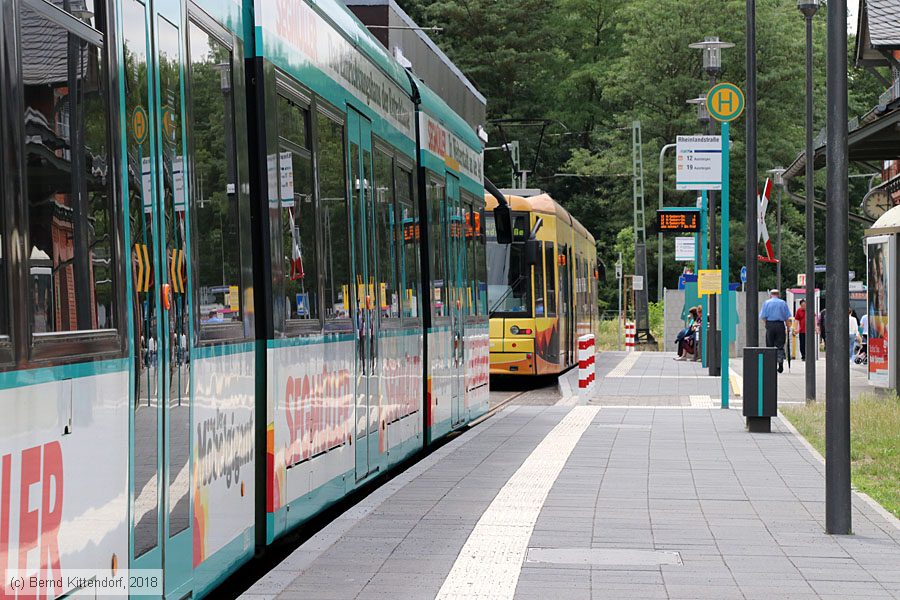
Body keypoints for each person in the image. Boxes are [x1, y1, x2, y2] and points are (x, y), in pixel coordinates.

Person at [759, 289, 791, 373]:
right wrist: (788, 327)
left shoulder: (766, 303)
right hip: (780, 325)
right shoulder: (783, 303)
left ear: (770, 294)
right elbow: (787, 317)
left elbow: (763, 316)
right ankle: (780, 362)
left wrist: (767, 324)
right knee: (780, 345)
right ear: (778, 294)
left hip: (770, 325)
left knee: (770, 345)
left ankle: (771, 365)